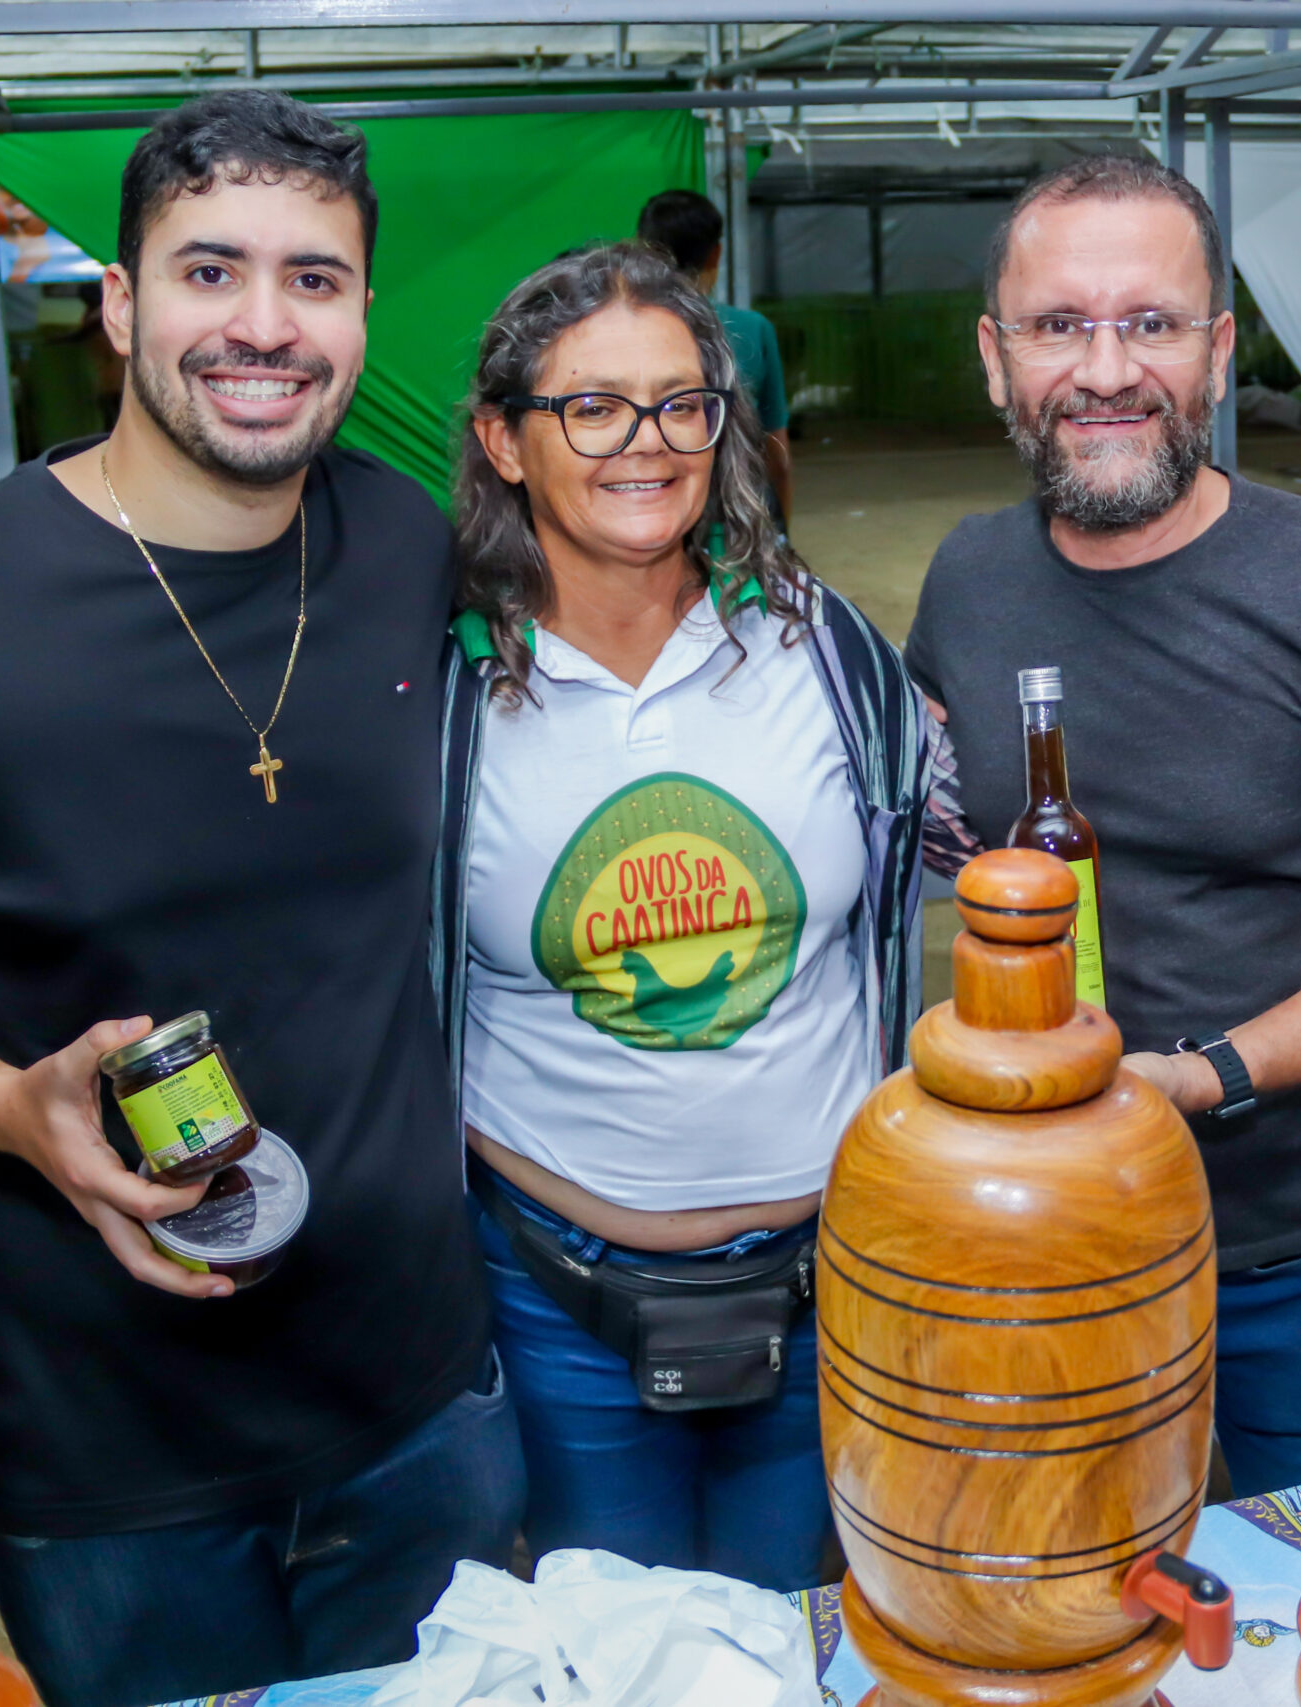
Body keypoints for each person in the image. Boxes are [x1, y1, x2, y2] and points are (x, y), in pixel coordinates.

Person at [0, 89, 522, 1707]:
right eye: (211, 273)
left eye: (314, 279)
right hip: (95, 1440)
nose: (264, 326)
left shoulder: (405, 546)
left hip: (419, 1393)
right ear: (122, 304)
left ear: (361, 313)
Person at [903, 154, 1301, 1500]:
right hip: (1047, 1239)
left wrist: (1206, 1074)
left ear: (1219, 352)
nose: (1107, 369)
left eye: (1153, 324)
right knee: (1083, 1587)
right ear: (998, 360)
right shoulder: (969, 577)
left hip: (1291, 1245)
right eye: (1060, 326)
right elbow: (949, 829)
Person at [442, 241, 967, 1589]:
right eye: (593, 406)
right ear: (505, 440)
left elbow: (970, 843)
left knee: (801, 1627)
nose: (648, 442)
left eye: (683, 402)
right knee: (616, 1653)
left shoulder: (822, 648)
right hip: (558, 1307)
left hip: (835, 1282)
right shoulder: (438, 691)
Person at [636, 189, 794, 528]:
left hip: (654, 512)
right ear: (716, 254)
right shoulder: (752, 329)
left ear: (643, 252)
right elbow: (777, 456)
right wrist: (781, 532)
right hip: (734, 519)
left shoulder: (624, 331)